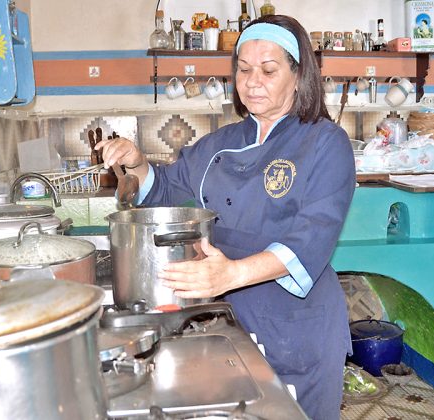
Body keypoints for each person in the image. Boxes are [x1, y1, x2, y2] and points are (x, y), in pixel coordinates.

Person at [96, 14, 355, 420]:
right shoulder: (220, 143)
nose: (253, 82)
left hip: (296, 322)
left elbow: (313, 237)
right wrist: (140, 163)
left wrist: (229, 275)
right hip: (228, 317)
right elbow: (167, 191)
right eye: (244, 69)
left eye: (269, 70)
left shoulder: (325, 142)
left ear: (299, 74)